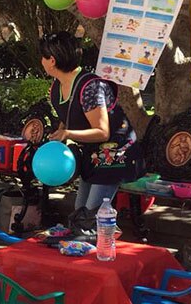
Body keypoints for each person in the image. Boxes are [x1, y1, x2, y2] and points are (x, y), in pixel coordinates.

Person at [40, 31, 142, 211]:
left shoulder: (91, 87)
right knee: (81, 210)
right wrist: (60, 132)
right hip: (92, 155)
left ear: (52, 61)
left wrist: (67, 134)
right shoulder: (57, 85)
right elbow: (68, 115)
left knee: (91, 214)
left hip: (114, 154)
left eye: (43, 57)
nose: (41, 61)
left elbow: (102, 132)